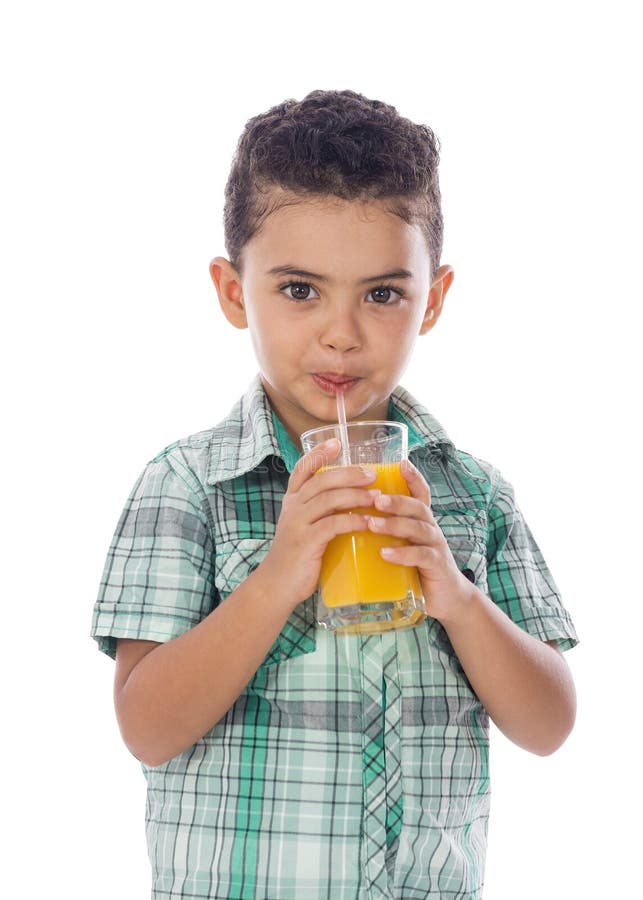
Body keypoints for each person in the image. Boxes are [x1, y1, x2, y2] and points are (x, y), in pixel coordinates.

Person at [91, 89, 578, 899]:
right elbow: (146, 728)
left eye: (382, 294)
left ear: (433, 298)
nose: (341, 333)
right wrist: (280, 575)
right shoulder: (188, 483)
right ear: (232, 290)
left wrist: (455, 596)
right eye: (298, 290)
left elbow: (549, 722)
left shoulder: (471, 494)